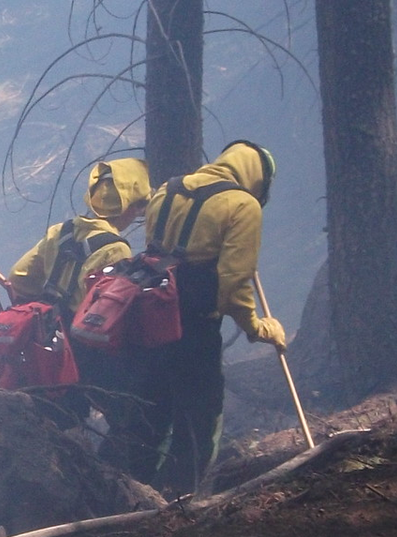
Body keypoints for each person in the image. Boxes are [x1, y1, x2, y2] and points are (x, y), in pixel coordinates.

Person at [112, 142, 286, 495]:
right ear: (259, 178)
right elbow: (233, 288)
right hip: (194, 331)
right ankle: (179, 506)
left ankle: (126, 499)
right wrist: (258, 328)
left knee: (149, 416)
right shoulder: (243, 205)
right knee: (198, 421)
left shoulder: (167, 190)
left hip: (148, 320)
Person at [8, 156, 151, 408]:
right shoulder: (116, 249)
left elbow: (19, 277)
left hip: (51, 335)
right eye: (139, 206)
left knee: (58, 408)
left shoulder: (60, 232)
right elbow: (109, 313)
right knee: (127, 408)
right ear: (130, 206)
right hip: (85, 347)